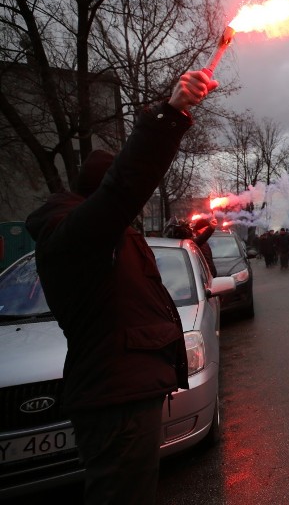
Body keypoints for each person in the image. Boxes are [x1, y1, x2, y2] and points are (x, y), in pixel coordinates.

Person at [24, 69, 216, 503]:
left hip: (123, 393)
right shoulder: (76, 233)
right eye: (127, 198)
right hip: (116, 400)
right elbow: (121, 190)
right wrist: (171, 113)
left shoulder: (98, 233)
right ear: (102, 193)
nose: (137, 204)